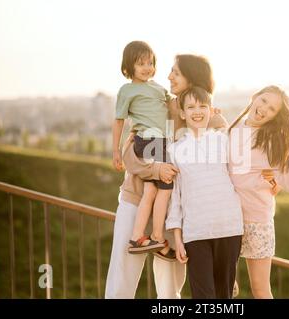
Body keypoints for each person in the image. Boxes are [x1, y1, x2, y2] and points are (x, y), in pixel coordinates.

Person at [105, 54, 227, 298]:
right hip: (135, 199)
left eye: (176, 72)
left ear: (192, 77)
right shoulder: (155, 105)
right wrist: (155, 171)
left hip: (173, 211)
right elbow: (130, 153)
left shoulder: (210, 119)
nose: (169, 76)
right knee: (122, 279)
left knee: (170, 289)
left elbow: (223, 165)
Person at [228, 85, 289, 299]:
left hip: (257, 220)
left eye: (272, 109)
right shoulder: (231, 129)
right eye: (263, 101)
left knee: (260, 289)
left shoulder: (273, 140)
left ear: (276, 116)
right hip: (228, 219)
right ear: (254, 96)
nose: (264, 109)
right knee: (225, 286)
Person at [166, 87, 243, 299]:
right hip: (195, 232)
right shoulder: (174, 150)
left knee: (224, 296)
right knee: (203, 298)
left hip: (229, 227)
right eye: (190, 107)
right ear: (182, 113)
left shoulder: (224, 140)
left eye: (202, 106)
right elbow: (175, 197)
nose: (197, 111)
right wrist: (178, 239)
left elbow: (244, 177)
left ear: (211, 110)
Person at [112, 41, 175, 258]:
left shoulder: (158, 88)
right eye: (141, 64)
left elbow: (175, 105)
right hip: (148, 140)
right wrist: (116, 151)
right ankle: (156, 237)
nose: (147, 67)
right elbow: (119, 121)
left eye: (150, 62)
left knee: (153, 190)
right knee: (163, 189)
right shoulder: (127, 90)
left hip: (161, 141)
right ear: (128, 67)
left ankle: (139, 237)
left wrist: (207, 107)